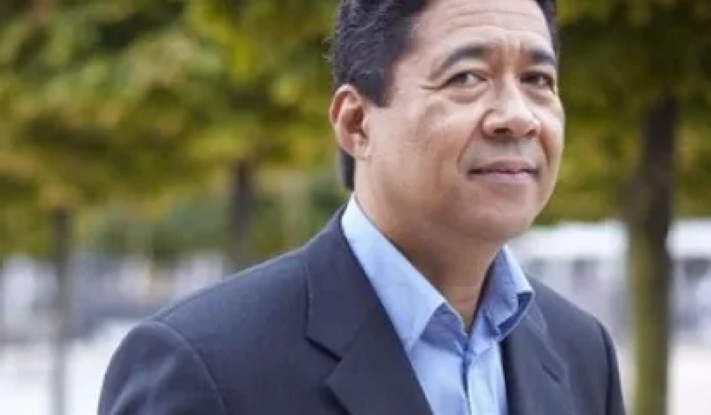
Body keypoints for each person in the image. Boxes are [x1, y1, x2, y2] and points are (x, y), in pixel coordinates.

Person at [99, 0, 626, 413]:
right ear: (356, 123)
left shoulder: (582, 353)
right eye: (467, 77)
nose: (518, 117)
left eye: (538, 80)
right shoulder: (206, 365)